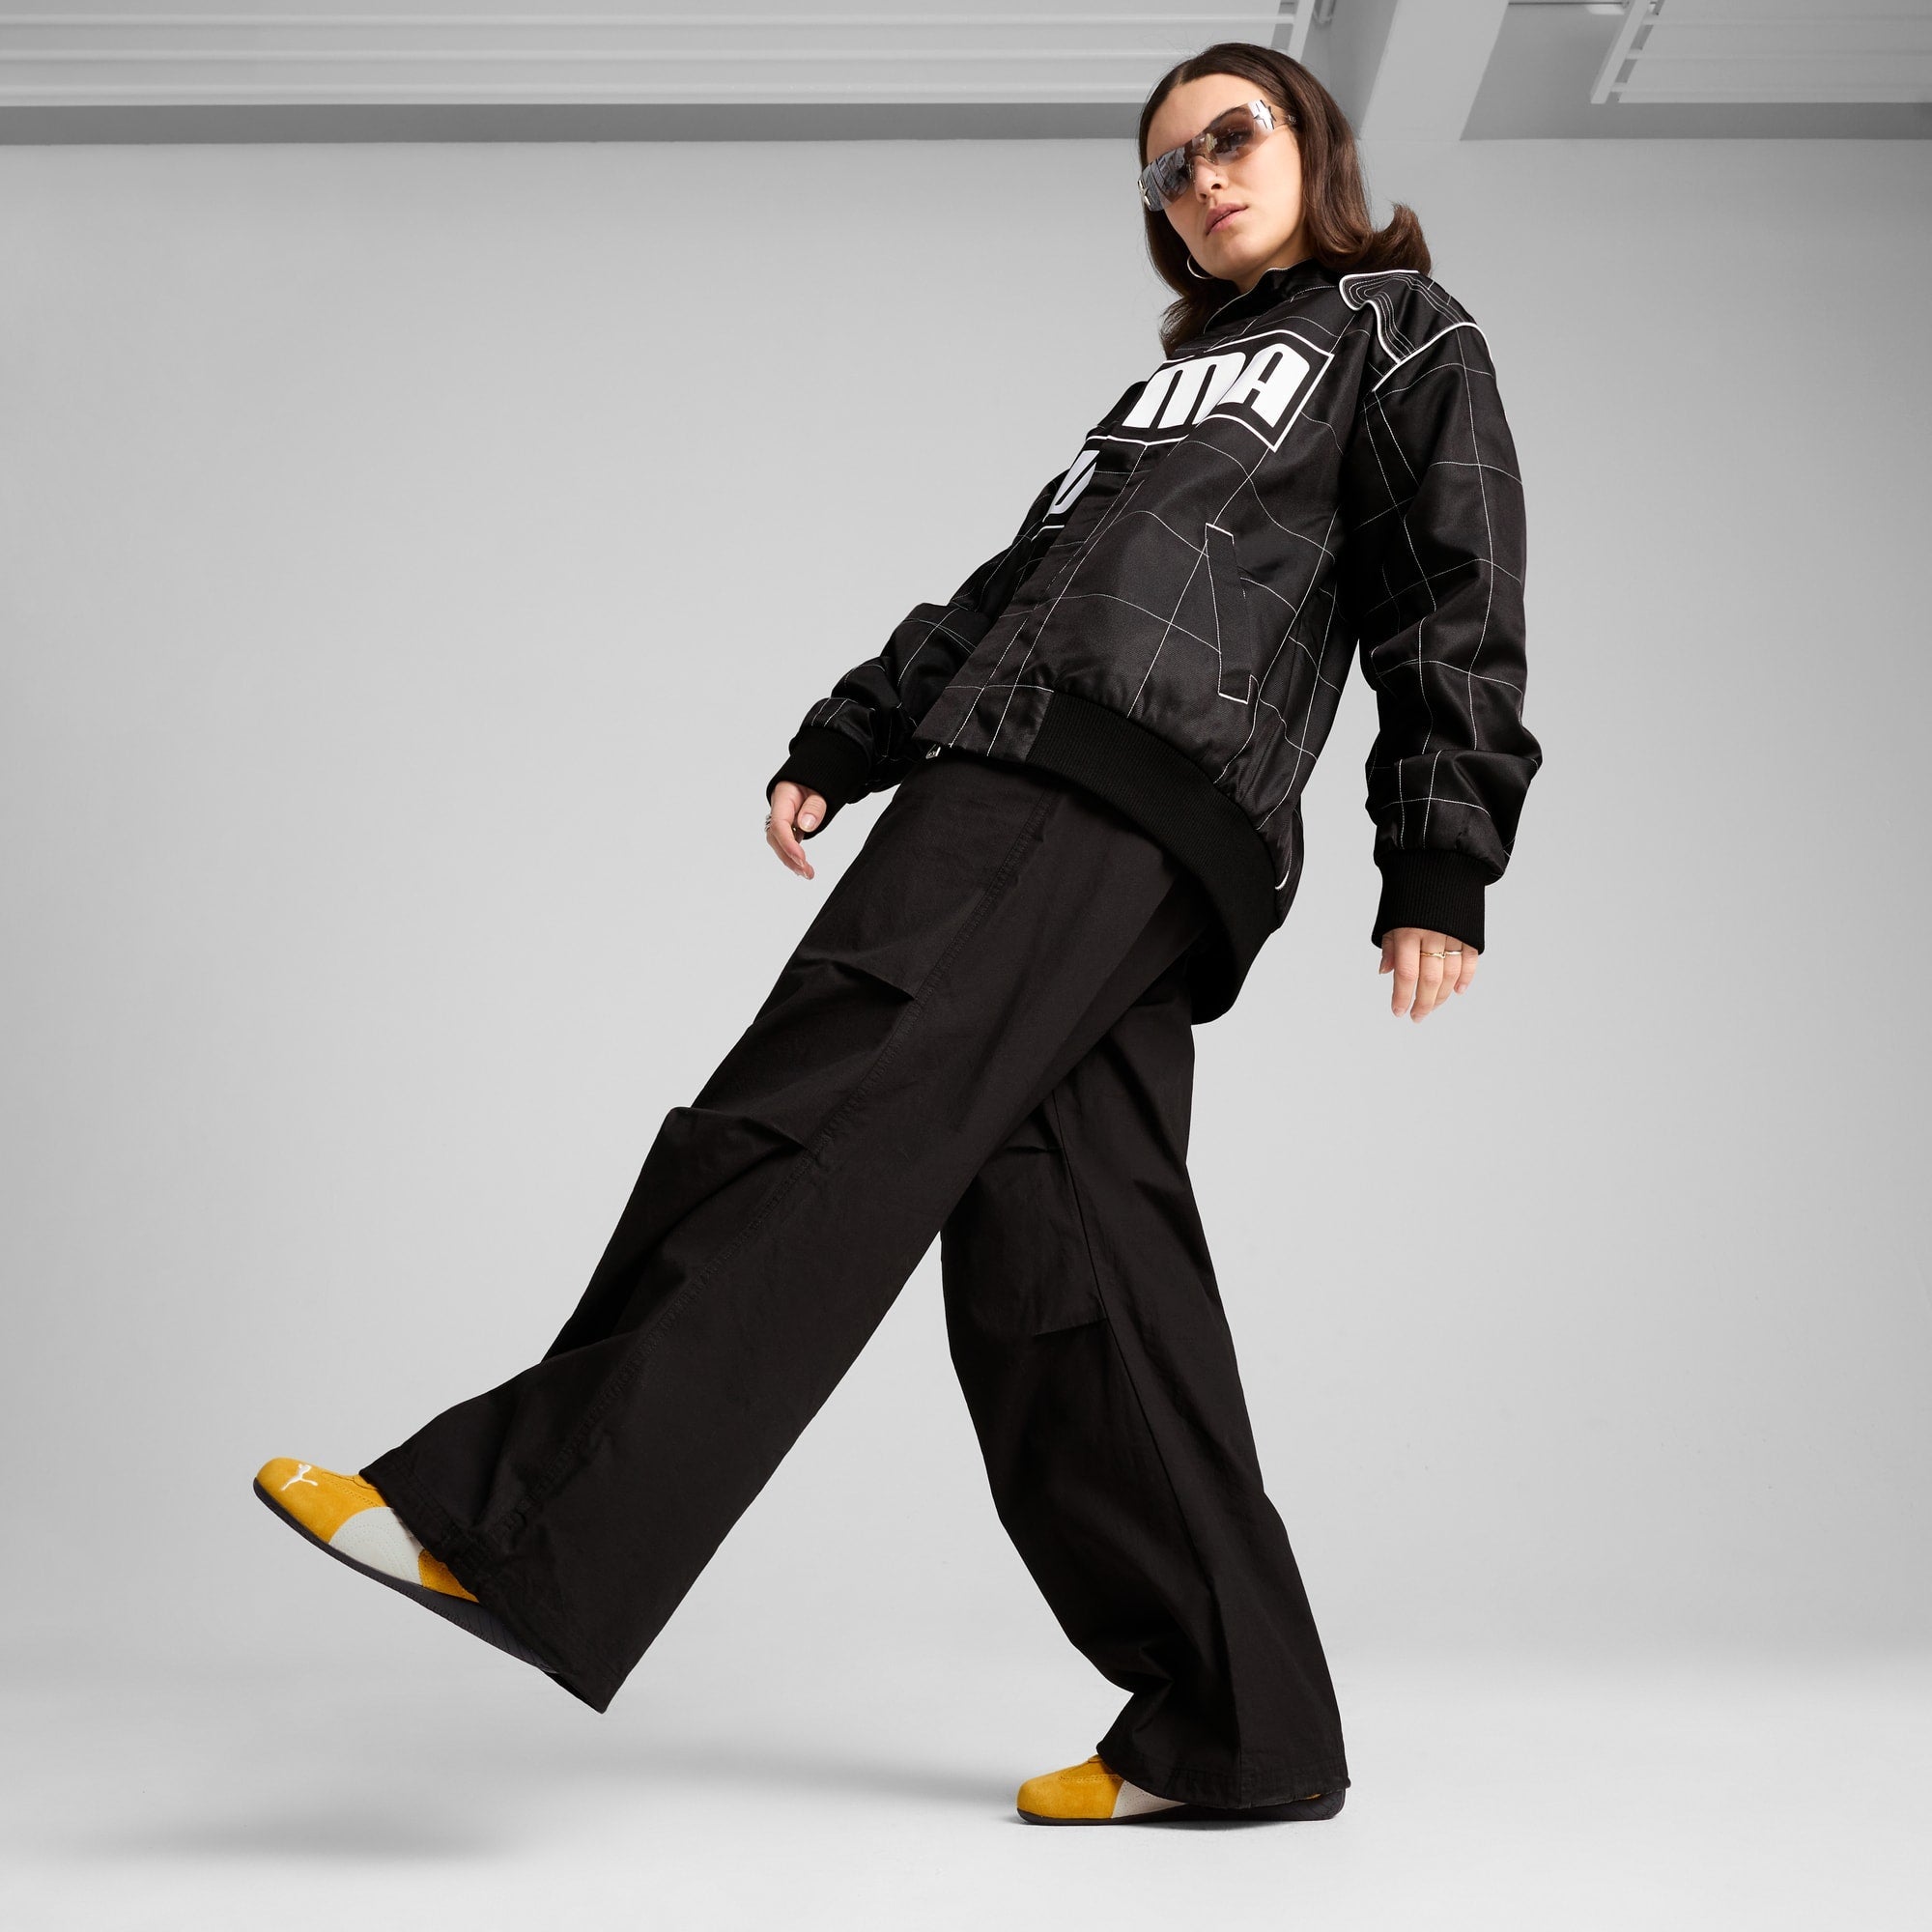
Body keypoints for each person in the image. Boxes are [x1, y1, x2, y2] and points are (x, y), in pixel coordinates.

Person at [255, 41, 1542, 1828]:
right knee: (1068, 1272)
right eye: (1168, 169)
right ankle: (1239, 1727)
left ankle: (519, 1522)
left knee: (818, 1105)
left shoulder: (1399, 331)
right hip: (1048, 775)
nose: (1201, 179)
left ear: (1309, 140)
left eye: (1231, 137)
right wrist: (852, 734)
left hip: (1101, 796)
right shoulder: (1155, 401)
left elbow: (1455, 592)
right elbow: (1016, 592)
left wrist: (1440, 859)